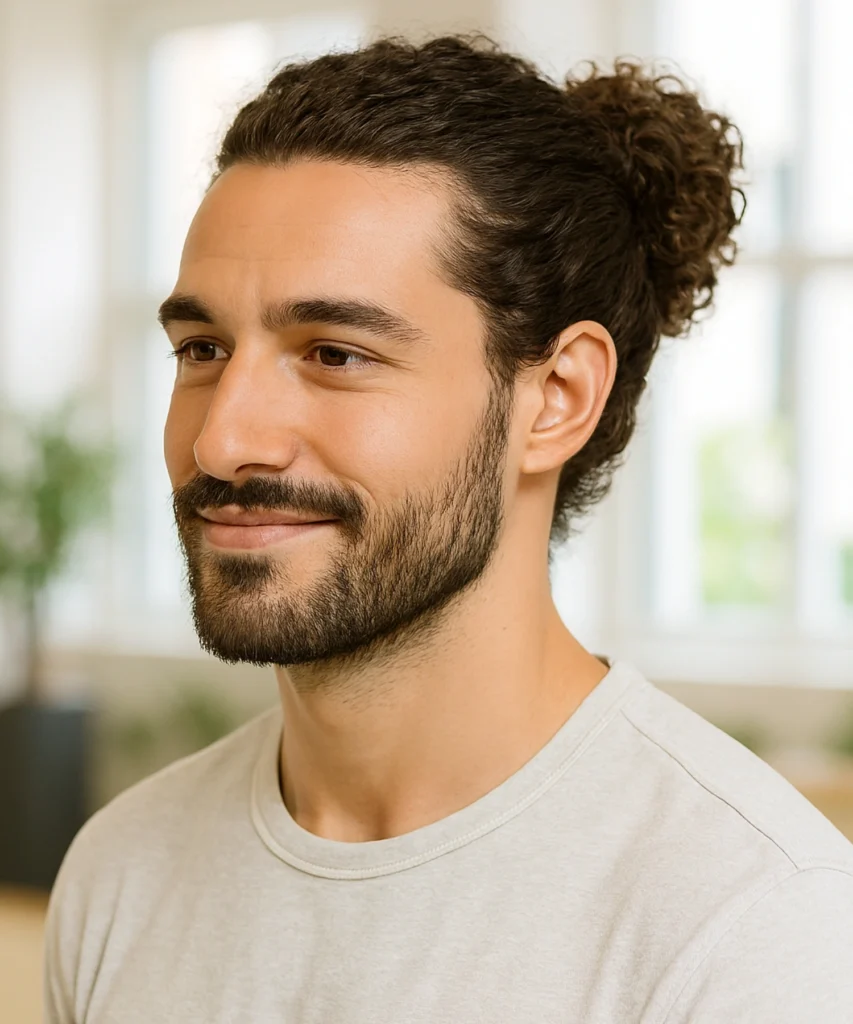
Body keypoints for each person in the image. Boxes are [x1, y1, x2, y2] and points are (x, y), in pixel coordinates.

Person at [44, 33, 853, 1023]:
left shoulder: (751, 922)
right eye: (202, 347)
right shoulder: (120, 873)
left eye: (334, 353)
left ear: (554, 399)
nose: (222, 438)